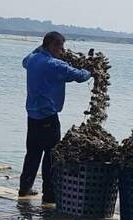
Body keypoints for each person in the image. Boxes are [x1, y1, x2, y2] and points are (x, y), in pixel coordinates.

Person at [19, 31, 92, 205]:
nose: (62, 51)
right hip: (48, 117)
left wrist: (41, 47)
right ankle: (49, 195)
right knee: (51, 155)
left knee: (32, 153)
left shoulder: (32, 60)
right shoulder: (55, 65)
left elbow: (24, 60)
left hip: (32, 116)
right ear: (52, 46)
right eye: (60, 48)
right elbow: (79, 76)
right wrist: (90, 70)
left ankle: (24, 188)